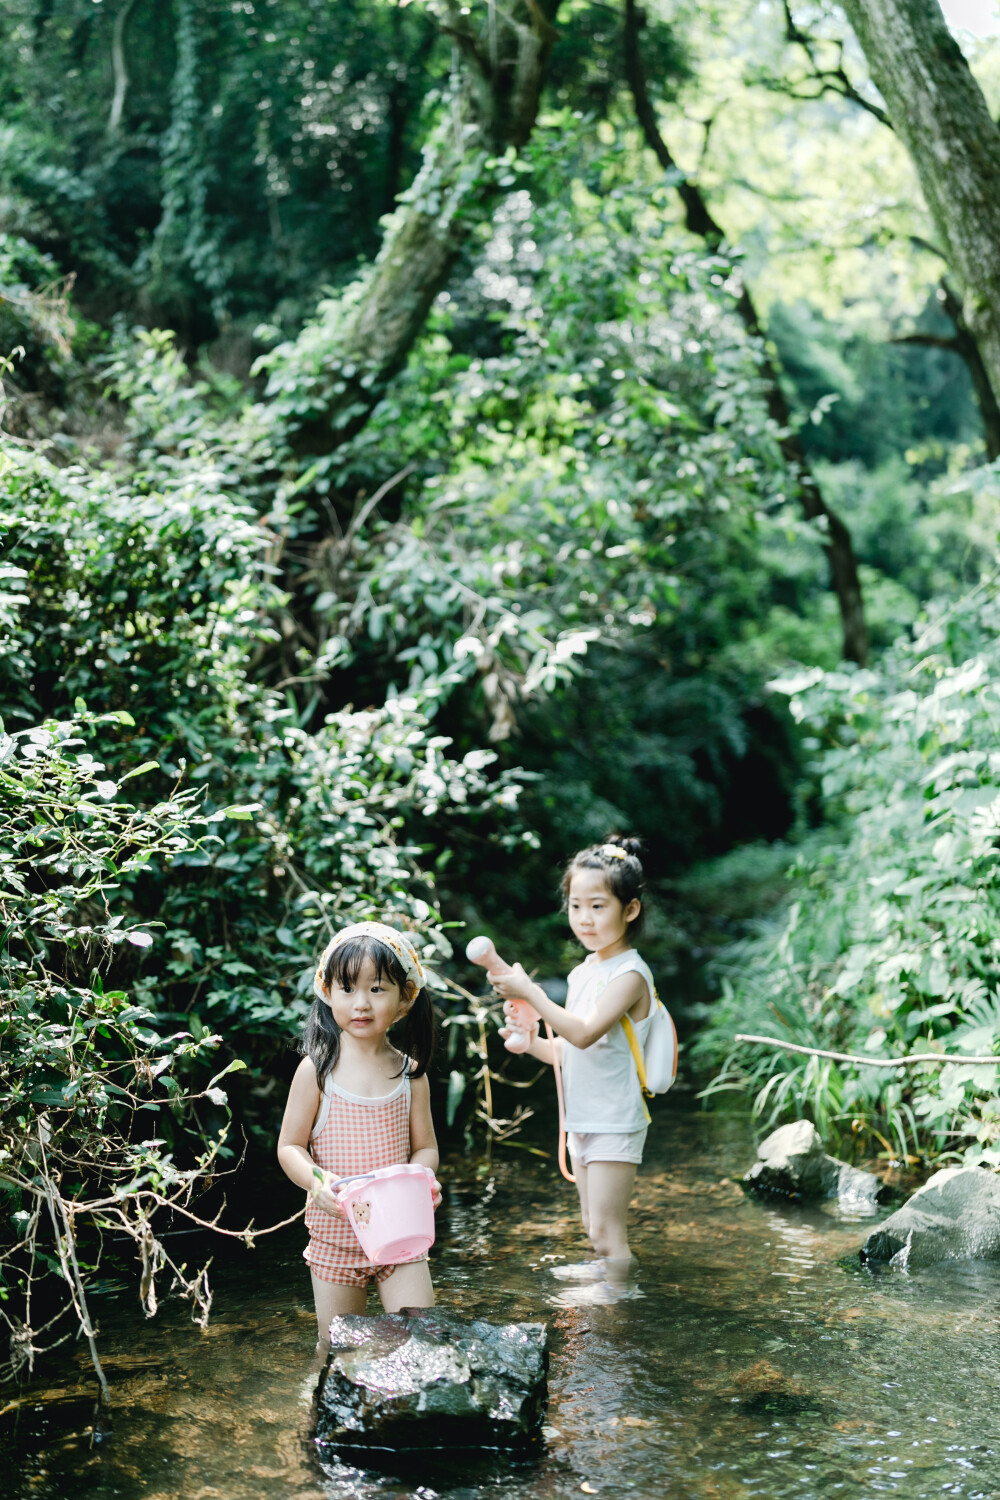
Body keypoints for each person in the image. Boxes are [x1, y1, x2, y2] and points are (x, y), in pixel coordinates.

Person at [489, 837, 654, 1296]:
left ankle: (621, 1299)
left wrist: (530, 992)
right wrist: (533, 1043)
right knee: (590, 1224)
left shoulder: (630, 975)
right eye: (576, 905)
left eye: (598, 906)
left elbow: (583, 1032)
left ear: (631, 909)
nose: (585, 918)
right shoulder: (585, 971)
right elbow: (569, 1050)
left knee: (607, 1231)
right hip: (585, 1116)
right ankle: (607, 1273)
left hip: (615, 1119)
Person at [277, 920, 441, 1343]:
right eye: (348, 989)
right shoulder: (317, 1070)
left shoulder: (410, 1075)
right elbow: (290, 1146)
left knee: (418, 1339)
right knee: (337, 1350)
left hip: (399, 1235)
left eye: (377, 988)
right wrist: (318, 1183)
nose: (361, 1003)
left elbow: (425, 1149)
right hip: (335, 1241)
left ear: (405, 998)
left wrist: (424, 1180)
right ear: (327, 992)